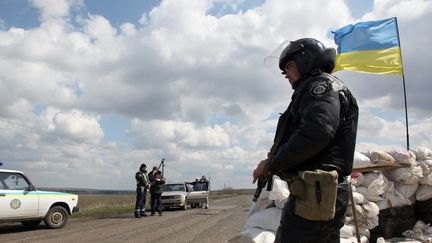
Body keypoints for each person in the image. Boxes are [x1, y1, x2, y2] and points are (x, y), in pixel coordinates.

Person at [253, 38, 359, 243]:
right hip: (316, 191)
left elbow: (316, 131)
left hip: (317, 192)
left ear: (306, 61)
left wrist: (272, 164)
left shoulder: (321, 86)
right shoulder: (317, 88)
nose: (287, 75)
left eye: (289, 67)